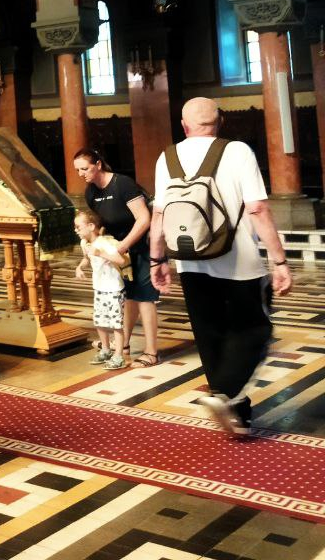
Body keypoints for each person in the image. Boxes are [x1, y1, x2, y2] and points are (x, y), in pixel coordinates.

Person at [150, 97, 293, 435]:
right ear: (221, 122)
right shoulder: (237, 151)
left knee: (210, 334)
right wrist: (280, 261)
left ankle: (236, 413)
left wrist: (158, 259)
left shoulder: (167, 156)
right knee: (255, 330)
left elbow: (160, 213)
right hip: (239, 261)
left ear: (184, 126)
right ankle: (226, 393)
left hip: (190, 259)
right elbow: (257, 209)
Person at [73, 148, 157, 366]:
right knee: (127, 295)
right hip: (117, 250)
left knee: (144, 296)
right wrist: (95, 246)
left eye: (85, 168)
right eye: (78, 170)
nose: (81, 174)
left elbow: (144, 218)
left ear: (98, 164)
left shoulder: (123, 184)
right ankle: (124, 344)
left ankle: (151, 352)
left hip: (140, 245)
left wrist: (123, 245)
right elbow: (99, 225)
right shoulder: (91, 193)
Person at [73, 210, 128, 369]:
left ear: (91, 226)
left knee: (116, 324)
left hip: (114, 289)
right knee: (99, 321)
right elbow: (86, 258)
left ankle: (119, 356)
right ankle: (105, 349)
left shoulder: (104, 243)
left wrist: (101, 253)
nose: (76, 230)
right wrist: (79, 267)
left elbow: (120, 260)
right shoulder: (84, 243)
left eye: (78, 227)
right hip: (99, 288)